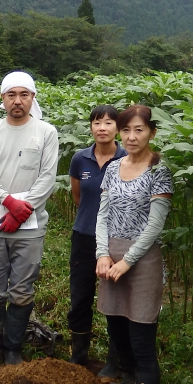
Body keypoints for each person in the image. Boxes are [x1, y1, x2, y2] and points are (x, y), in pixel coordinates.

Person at [96, 105, 173, 384]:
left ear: (151, 132)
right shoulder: (113, 168)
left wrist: (127, 261)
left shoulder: (159, 170)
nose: (131, 137)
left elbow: (155, 226)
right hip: (111, 255)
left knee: (142, 341)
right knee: (117, 329)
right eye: (126, 130)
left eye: (139, 130)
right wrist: (102, 254)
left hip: (141, 261)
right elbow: (103, 214)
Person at [0, 71, 59, 365]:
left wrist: (23, 211)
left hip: (30, 224)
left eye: (24, 95)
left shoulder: (46, 132)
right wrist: (8, 201)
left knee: (22, 287)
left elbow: (47, 177)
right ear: (2, 99)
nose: (17, 101)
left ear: (33, 98)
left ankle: (13, 348)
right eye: (11, 95)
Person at [67, 106, 126, 367]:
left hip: (118, 240)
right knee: (80, 296)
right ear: (90, 127)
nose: (102, 128)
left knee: (115, 299)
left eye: (108, 123)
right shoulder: (80, 159)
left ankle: (115, 359)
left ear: (117, 128)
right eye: (97, 122)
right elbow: (78, 197)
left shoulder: (127, 158)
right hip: (84, 236)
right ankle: (79, 356)